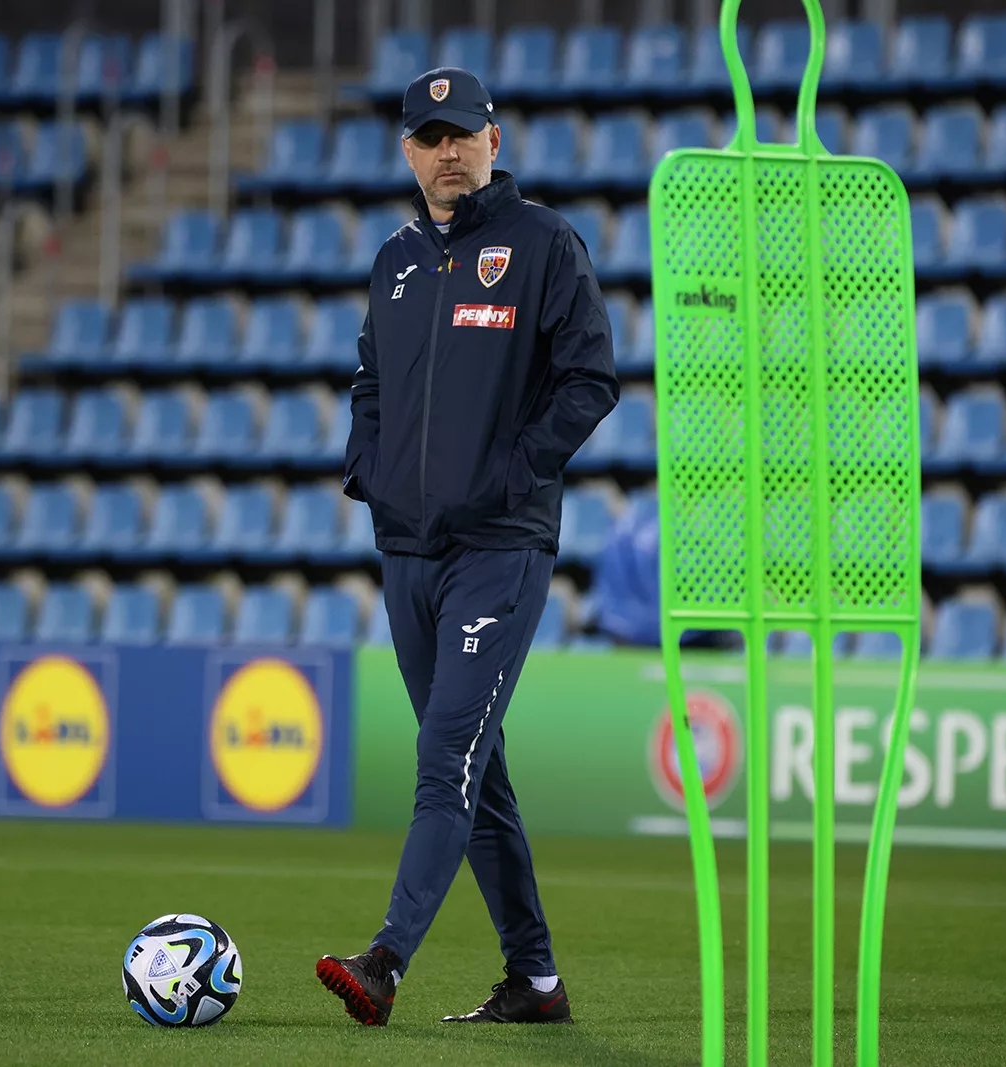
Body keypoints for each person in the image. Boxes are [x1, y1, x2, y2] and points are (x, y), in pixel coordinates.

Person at [315, 66, 619, 1027]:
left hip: (499, 548)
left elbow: (591, 377)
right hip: (407, 552)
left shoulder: (543, 243)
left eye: (462, 134)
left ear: (495, 138)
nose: (447, 152)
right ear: (407, 151)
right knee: (473, 770)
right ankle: (536, 980)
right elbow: (371, 381)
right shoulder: (397, 259)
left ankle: (385, 960)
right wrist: (368, 469)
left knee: (445, 756)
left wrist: (514, 474)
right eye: (429, 137)